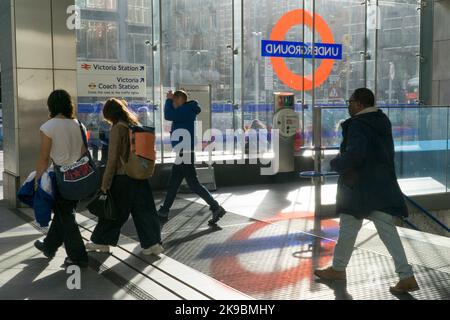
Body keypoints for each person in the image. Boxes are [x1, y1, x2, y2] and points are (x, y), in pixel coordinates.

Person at [314, 88, 420, 295]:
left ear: (360, 104)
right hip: (380, 187)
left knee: (348, 229)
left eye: (350, 101)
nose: (348, 104)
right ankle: (405, 276)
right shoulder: (381, 120)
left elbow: (356, 154)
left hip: (359, 189)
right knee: (385, 232)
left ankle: (338, 269)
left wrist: (334, 163)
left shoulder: (358, 125)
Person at [86, 98, 163, 256]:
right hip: (139, 175)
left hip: (123, 178)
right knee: (145, 211)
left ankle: (101, 242)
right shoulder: (133, 125)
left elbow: (112, 159)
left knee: (113, 212)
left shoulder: (117, 129)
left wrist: (105, 183)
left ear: (109, 114)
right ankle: (152, 244)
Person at [34, 90, 89, 268]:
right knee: (63, 213)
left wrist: (39, 178)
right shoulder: (79, 125)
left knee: (66, 217)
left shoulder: (48, 127)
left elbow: (43, 157)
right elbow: (83, 153)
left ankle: (79, 257)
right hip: (78, 177)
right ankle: (49, 246)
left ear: (51, 106)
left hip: (60, 177)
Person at [158, 90, 226, 226]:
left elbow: (168, 115)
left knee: (193, 184)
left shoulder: (186, 110)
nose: (173, 104)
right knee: (174, 184)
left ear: (180, 100)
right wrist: (171, 100)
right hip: (182, 152)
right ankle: (164, 211)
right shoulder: (186, 110)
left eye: (174, 102)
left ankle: (215, 207)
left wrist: (167, 100)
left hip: (185, 152)